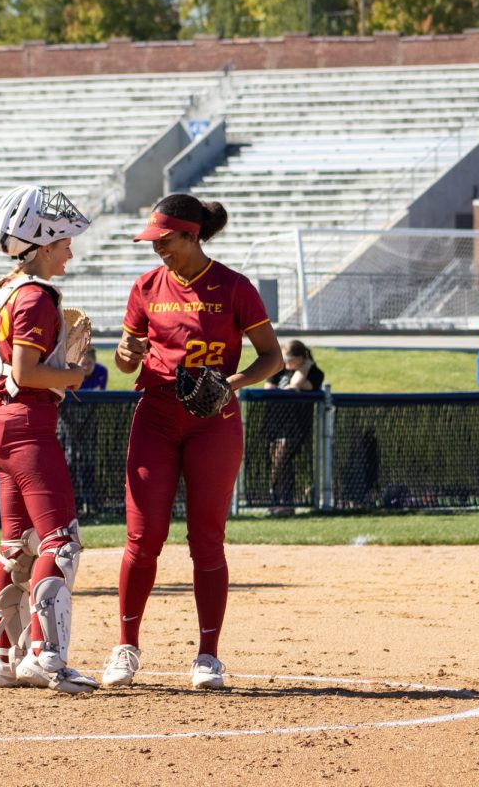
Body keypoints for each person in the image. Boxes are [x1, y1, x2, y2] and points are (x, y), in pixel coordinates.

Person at [101, 194, 283, 690]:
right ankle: (126, 648)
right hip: (156, 415)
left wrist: (233, 384)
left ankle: (208, 656)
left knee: (206, 538)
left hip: (214, 417)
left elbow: (273, 358)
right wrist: (123, 351)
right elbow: (125, 363)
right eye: (153, 241)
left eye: (164, 240)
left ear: (190, 235)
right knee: (142, 538)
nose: (157, 249)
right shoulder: (146, 286)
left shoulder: (233, 287)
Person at [0, 185, 99, 694]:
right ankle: (47, 658)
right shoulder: (35, 296)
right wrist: (77, 373)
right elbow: (27, 372)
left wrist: (56, 371)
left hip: (2, 426)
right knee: (60, 541)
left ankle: (6, 660)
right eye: (65, 241)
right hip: (28, 426)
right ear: (43, 242)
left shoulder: (2, 290)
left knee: (16, 547)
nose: (70, 250)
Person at [264, 340, 325, 515]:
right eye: (285, 358)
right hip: (275, 423)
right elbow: (269, 388)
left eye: (291, 359)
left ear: (302, 358)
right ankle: (280, 501)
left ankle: (284, 502)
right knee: (277, 461)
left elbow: (297, 385)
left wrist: (306, 367)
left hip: (296, 426)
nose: (287, 362)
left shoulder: (314, 373)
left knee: (282, 460)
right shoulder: (278, 369)